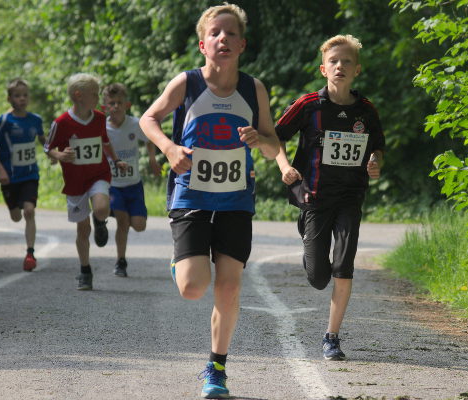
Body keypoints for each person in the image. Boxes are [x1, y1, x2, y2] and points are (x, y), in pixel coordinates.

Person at [139, 3, 279, 398]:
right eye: (216, 33)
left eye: (231, 33)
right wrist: (168, 148)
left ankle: (216, 369)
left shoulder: (254, 89)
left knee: (229, 288)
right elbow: (148, 119)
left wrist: (260, 140)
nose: (223, 38)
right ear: (203, 44)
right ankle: (181, 261)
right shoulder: (186, 83)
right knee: (192, 288)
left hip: (236, 200)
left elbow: (272, 147)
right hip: (191, 196)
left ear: (242, 44)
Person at [274, 34, 385, 361]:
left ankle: (332, 337)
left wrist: (376, 161)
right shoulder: (309, 106)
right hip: (314, 196)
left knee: (344, 264)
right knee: (318, 277)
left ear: (357, 70)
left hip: (351, 196)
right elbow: (275, 136)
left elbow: (378, 146)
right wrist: (283, 166)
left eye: (346, 62)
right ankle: (307, 232)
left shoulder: (366, 110)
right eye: (334, 62)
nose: (340, 66)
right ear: (324, 69)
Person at [44, 73, 127, 290]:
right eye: (95, 94)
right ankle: (85, 269)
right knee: (82, 230)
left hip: (98, 173)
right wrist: (60, 156)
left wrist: (116, 160)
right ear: (79, 96)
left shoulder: (99, 118)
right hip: (75, 181)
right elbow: (48, 148)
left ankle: (100, 220)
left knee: (101, 208)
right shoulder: (61, 123)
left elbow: (105, 142)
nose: (99, 99)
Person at [0, 78, 45, 272]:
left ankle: (30, 253)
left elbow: (44, 141)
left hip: (29, 175)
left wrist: (53, 153)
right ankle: (14, 205)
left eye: (25, 95)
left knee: (29, 211)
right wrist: (1, 169)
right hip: (9, 177)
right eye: (17, 96)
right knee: (16, 217)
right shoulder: (4, 121)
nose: (22, 99)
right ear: (9, 98)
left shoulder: (35, 120)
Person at [102, 83, 161, 277]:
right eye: (111, 103)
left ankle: (114, 213)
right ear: (105, 106)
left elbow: (150, 139)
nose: (116, 106)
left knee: (139, 225)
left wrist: (152, 160)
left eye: (119, 102)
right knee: (122, 221)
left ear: (127, 104)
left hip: (134, 184)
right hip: (114, 185)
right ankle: (121, 261)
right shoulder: (102, 128)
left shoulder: (135, 124)